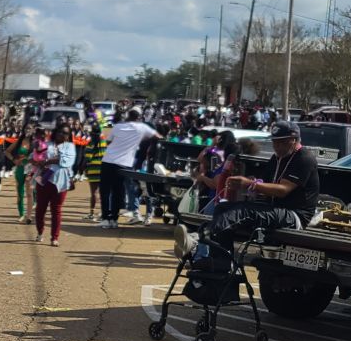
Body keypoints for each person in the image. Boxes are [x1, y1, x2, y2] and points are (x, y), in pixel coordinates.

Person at [181, 121, 319, 268]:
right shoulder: (277, 158)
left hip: (294, 215)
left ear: (293, 140)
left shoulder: (304, 158)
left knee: (242, 212)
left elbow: (282, 190)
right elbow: (265, 184)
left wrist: (249, 184)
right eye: (274, 142)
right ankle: (222, 259)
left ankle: (200, 238)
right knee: (223, 207)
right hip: (273, 209)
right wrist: (252, 184)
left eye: (281, 143)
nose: (276, 147)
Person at [99, 109, 160, 229]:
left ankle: (106, 219)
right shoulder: (142, 128)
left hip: (108, 160)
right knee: (118, 191)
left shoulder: (116, 127)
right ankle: (114, 220)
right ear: (139, 118)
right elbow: (158, 136)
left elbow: (108, 140)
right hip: (125, 164)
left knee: (105, 192)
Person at [34, 125, 77, 247]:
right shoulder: (47, 144)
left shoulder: (70, 146)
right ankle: (40, 232)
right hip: (44, 179)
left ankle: (54, 237)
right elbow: (37, 156)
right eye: (60, 132)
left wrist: (48, 161)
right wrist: (42, 160)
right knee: (40, 209)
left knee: (56, 210)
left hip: (61, 181)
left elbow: (66, 161)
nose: (62, 135)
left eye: (66, 133)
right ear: (55, 132)